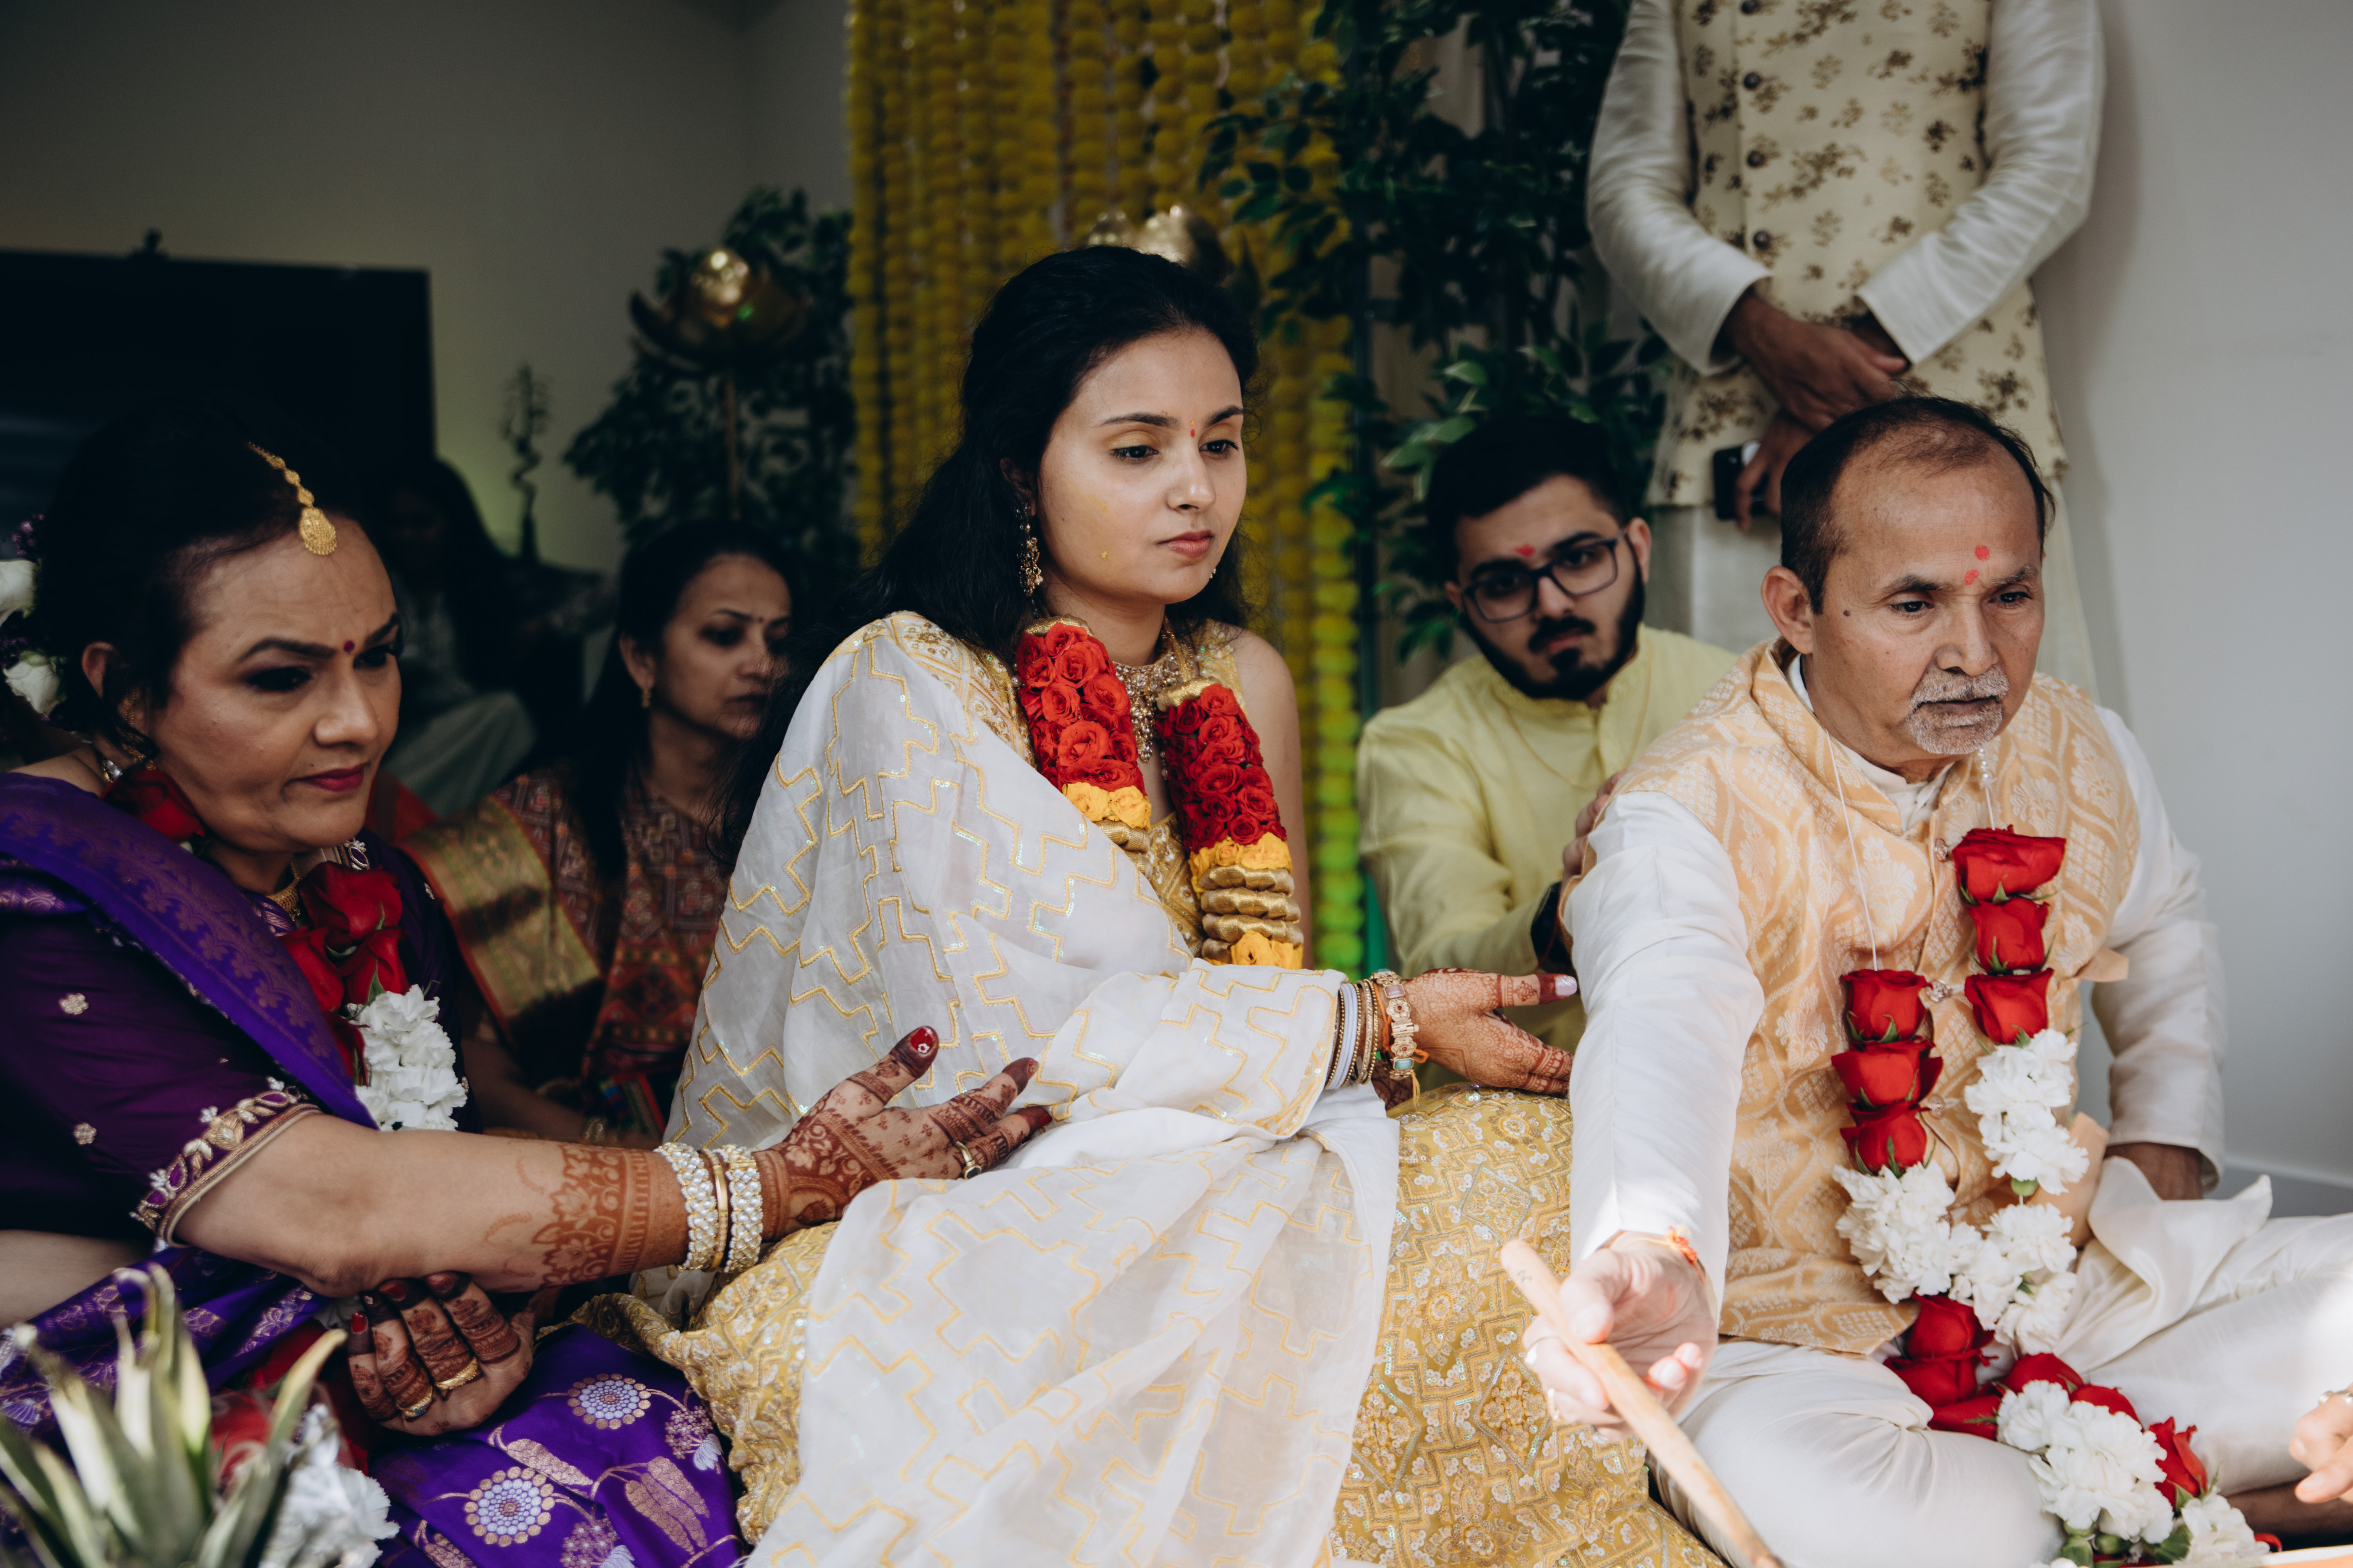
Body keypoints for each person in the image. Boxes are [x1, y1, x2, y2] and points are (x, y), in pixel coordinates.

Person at [599, 246, 1710, 1568]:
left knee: (1546, 1165)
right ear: (1021, 469)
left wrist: (1358, 1039)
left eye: (1219, 442)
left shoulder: (1242, 675)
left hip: (1228, 1130)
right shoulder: (911, 677)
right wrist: (1376, 1022)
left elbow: (1268, 972)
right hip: (991, 1165)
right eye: (1137, 450)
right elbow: (997, 1031)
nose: (1196, 487)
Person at [0, 397, 1052, 1567]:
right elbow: (331, 1206)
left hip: (368, 1384)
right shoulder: (37, 885)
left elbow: (436, 1172)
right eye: (283, 677)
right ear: (125, 688)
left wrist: (481, 1323)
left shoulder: (368, 883)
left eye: (378, 657)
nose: (357, 722)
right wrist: (781, 1183)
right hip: (125, 1418)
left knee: (754, 1440)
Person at [1523, 397, 2353, 1562]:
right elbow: (1665, 1023)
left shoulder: (2079, 748)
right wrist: (1657, 1249)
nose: (1975, 652)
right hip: (1807, 1349)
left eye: (2009, 595)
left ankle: (2123, 1486)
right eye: (1913, 604)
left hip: (2068, 1299)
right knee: (1824, 1497)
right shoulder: (1686, 813)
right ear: (1796, 609)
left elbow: (2163, 915)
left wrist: (2164, 1136)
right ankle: (2212, 1494)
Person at [1588, 0, 2102, 691]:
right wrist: (1757, 330)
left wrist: (1831, 379)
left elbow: (2048, 166)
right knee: (1734, 729)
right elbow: (1625, 189)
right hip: (1737, 440)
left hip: (1958, 416)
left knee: (1989, 716)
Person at [402, 523, 795, 1144]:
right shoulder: (543, 825)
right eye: (724, 636)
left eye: (780, 641)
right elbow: (475, 1068)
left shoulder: (803, 818)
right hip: (601, 1166)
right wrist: (628, 1157)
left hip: (788, 1154)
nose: (762, 664)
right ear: (641, 659)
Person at [1357, 414, 1734, 1054]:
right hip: (1522, 1107)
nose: (1553, 603)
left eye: (1580, 559)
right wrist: (1562, 917)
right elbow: (1438, 978)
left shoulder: (1735, 694)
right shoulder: (1415, 745)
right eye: (1505, 584)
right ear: (1461, 604)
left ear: (1639, 549)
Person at [376, 458, 538, 815]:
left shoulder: (478, 586)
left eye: (421, 524)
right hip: (396, 733)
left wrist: (540, 628)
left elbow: (603, 592)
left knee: (506, 713)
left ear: (451, 523)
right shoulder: (378, 582)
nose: (407, 536)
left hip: (466, 724)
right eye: (398, 525)